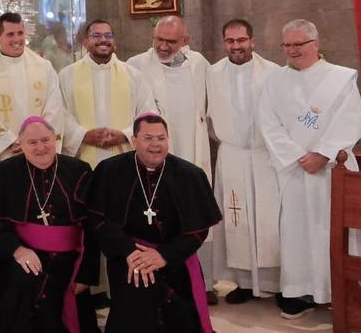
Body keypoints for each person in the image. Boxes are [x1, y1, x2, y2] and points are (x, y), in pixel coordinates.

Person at [258, 19, 361, 319]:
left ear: (315, 44)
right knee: (297, 232)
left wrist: (323, 154)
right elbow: (268, 124)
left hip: (332, 171)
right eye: (286, 45)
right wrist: (298, 156)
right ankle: (300, 291)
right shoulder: (274, 80)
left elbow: (351, 121)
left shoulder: (339, 78)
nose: (291, 51)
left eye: (297, 44)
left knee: (334, 230)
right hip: (294, 170)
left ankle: (344, 289)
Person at [87, 114, 222, 333]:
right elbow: (99, 221)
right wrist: (130, 252)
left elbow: (198, 230)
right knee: (137, 290)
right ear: (134, 140)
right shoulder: (110, 171)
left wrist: (163, 256)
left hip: (177, 259)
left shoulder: (189, 175)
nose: (155, 145)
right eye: (148, 138)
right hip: (128, 257)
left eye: (161, 138)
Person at [0, 117, 98, 333]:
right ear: (21, 144)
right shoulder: (3, 173)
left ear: (56, 139)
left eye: (45, 140)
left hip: (71, 263)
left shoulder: (79, 170)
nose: (41, 147)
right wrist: (17, 250)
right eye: (32, 142)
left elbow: (93, 226)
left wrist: (86, 274)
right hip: (22, 259)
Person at [126, 16, 214, 299]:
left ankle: (205, 281)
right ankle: (159, 273)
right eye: (158, 39)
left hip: (193, 152)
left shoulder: (199, 64)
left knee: (194, 214)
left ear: (185, 41)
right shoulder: (136, 66)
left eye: (171, 41)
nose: (163, 46)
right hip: (157, 155)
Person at [206, 19, 281, 304]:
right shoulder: (213, 74)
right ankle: (244, 283)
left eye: (241, 40)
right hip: (233, 155)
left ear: (253, 40)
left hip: (265, 156)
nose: (236, 46)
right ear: (224, 42)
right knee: (236, 220)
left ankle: (276, 283)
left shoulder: (273, 73)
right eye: (230, 41)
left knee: (268, 221)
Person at [0, 12, 68, 175]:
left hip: (40, 152)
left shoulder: (43, 66)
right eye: (10, 34)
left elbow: (54, 108)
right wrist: (9, 141)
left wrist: (35, 143)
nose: (17, 39)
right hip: (6, 153)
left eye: (20, 33)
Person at [60, 19, 155, 167]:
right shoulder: (67, 75)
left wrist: (125, 135)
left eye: (108, 35)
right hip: (81, 161)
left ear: (114, 42)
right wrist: (83, 135)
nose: (103, 40)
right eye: (96, 35)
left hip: (124, 159)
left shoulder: (133, 76)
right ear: (85, 42)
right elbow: (60, 113)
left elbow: (148, 114)